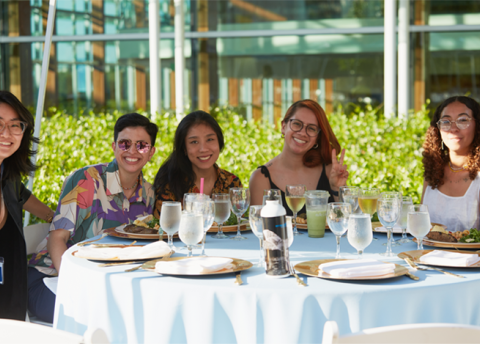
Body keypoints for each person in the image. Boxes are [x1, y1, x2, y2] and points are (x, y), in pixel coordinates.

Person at [28, 113, 158, 323]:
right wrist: (74, 287)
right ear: (114, 146)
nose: (132, 151)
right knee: (109, 316)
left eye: (141, 145)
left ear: (151, 152)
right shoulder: (86, 180)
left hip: (107, 284)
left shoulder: (149, 193)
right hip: (52, 278)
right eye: (125, 144)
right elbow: (57, 239)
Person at [0, 91, 55, 321]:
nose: (6, 133)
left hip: (9, 292)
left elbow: (23, 196)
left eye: (15, 125)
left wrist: (56, 217)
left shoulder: (8, 175)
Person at [249, 99, 349, 216]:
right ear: (283, 127)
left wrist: (337, 188)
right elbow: (260, 229)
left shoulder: (329, 170)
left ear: (317, 137)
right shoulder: (261, 178)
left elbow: (346, 222)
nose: (302, 133)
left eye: (311, 128)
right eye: (297, 123)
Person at [153, 110, 242, 217]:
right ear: (184, 148)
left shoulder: (232, 183)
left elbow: (239, 224)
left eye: (210, 139)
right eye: (194, 142)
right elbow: (163, 228)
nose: (203, 149)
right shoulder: (169, 184)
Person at [421, 96, 480, 232]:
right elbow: (422, 227)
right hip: (429, 252)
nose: (453, 128)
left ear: (478, 126)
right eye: (446, 121)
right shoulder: (433, 171)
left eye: (463, 120)